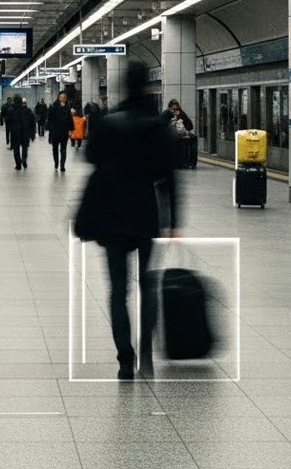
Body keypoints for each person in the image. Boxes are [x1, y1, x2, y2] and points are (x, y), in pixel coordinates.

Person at [82, 60, 180, 380]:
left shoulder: (109, 124)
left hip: (111, 213)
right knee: (148, 284)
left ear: (122, 86)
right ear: (149, 87)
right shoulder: (159, 127)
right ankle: (147, 353)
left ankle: (125, 358)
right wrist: (174, 220)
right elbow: (170, 176)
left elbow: (91, 157)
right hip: (147, 212)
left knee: (118, 288)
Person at [160, 99, 197, 170]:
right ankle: (187, 163)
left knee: (189, 142)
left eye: (176, 107)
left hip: (179, 135)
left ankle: (188, 163)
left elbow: (189, 125)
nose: (174, 109)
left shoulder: (180, 113)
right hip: (174, 136)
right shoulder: (168, 113)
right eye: (173, 107)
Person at [45, 91, 74, 172]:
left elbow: (70, 119)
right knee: (55, 148)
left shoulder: (67, 107)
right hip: (55, 131)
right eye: (61, 97)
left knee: (63, 149)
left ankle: (62, 165)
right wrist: (48, 129)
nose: (62, 99)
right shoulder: (53, 107)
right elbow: (49, 119)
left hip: (64, 131)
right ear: (58, 98)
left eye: (64, 97)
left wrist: (71, 129)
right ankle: (56, 162)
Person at [8, 96, 36, 170]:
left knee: (16, 149)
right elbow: (32, 122)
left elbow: (8, 122)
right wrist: (32, 133)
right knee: (25, 148)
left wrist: (9, 132)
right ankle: (24, 160)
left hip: (15, 133)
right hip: (25, 132)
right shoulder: (28, 110)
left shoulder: (11, 110)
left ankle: (18, 164)